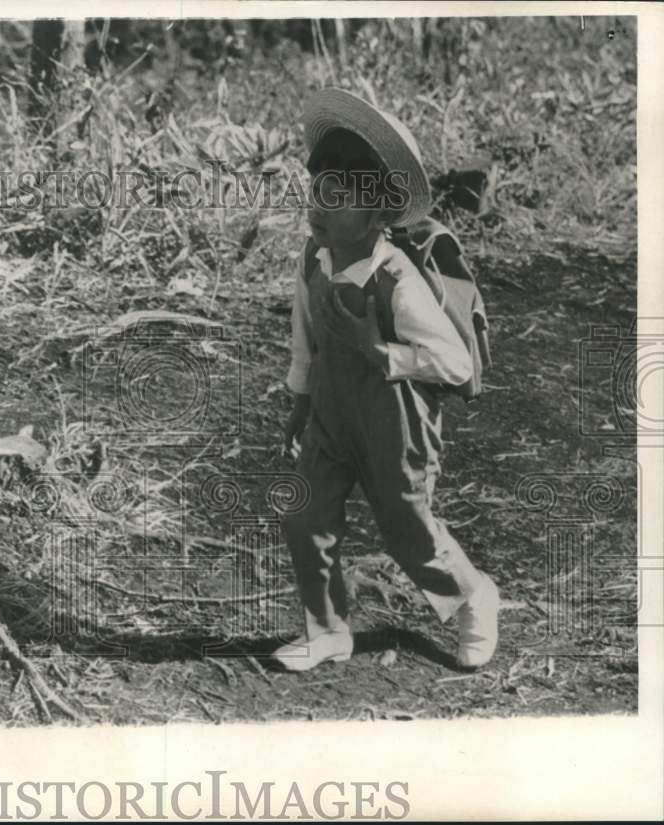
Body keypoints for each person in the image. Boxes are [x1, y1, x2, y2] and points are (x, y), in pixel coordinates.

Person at [275, 87, 499, 671]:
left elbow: (455, 365)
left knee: (407, 533)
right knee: (306, 516)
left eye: (337, 198)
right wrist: (299, 404)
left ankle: (475, 597)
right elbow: (306, 335)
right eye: (315, 193)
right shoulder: (312, 258)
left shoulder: (396, 277)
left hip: (394, 423)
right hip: (330, 413)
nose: (318, 210)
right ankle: (326, 629)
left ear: (376, 212)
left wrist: (376, 349)